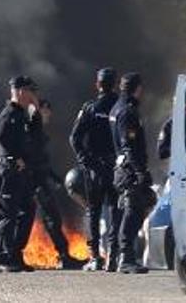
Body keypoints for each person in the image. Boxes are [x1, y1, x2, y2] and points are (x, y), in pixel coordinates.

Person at [17, 99, 85, 270]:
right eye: (47, 110)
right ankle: (63, 256)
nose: (49, 115)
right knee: (46, 219)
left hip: (38, 179)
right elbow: (33, 159)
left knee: (45, 219)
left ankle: (0, 253)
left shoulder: (36, 130)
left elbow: (42, 161)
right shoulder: (31, 130)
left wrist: (54, 178)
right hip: (33, 180)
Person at [69, 67, 121, 271]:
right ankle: (114, 255)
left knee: (93, 211)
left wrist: (85, 160)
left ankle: (95, 257)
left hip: (95, 168)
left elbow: (74, 137)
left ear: (98, 85)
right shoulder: (120, 107)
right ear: (115, 84)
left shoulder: (90, 108)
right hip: (115, 166)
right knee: (115, 210)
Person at [0, 75, 38, 273]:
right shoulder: (9, 113)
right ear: (20, 91)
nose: (32, 95)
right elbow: (2, 136)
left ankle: (15, 254)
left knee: (28, 210)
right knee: (8, 215)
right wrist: (15, 157)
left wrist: (36, 114)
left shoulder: (23, 114)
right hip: (9, 170)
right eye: (30, 91)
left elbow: (35, 137)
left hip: (21, 172)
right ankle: (0, 259)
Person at [110, 72, 155, 274]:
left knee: (140, 206)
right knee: (132, 211)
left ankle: (127, 256)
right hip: (129, 170)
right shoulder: (127, 112)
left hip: (125, 168)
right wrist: (139, 172)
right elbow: (128, 146)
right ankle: (125, 258)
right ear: (137, 89)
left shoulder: (117, 108)